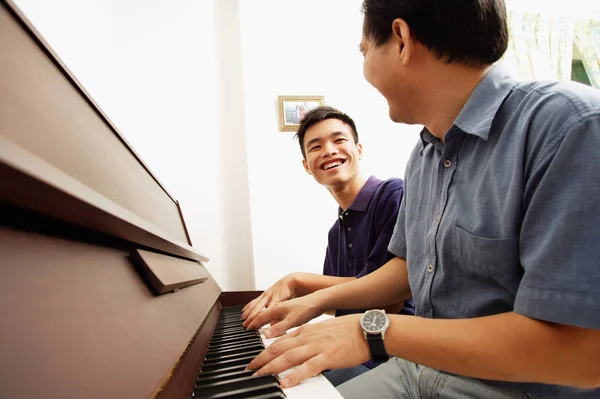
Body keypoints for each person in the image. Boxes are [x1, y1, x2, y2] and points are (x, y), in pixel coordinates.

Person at [244, 0, 600, 398]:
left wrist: (370, 331)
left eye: (364, 51)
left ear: (401, 40)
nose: (364, 69)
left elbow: (582, 353)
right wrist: (316, 302)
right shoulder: (426, 153)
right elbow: (409, 269)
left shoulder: (569, 126)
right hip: (421, 368)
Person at [241, 106, 414, 386]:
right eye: (316, 146)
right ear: (307, 166)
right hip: (354, 349)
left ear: (358, 149)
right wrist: (291, 305)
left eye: (339, 140)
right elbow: (338, 307)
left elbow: (389, 300)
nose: (329, 150)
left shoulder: (393, 195)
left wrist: (299, 282)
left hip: (392, 351)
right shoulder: (336, 232)